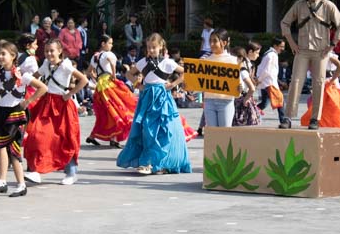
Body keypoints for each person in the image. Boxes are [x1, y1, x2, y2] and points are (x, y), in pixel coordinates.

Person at [280, 0, 340, 130]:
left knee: (318, 83)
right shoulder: (299, 5)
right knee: (295, 82)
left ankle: (315, 119)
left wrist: (332, 45)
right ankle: (288, 117)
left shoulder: (328, 6)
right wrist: (291, 42)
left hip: (321, 51)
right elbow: (285, 23)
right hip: (302, 50)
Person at [0, 40, 48, 197]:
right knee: (5, 148)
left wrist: (28, 101)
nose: (0, 57)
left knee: (8, 147)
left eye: (3, 54)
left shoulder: (22, 75)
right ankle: (15, 183)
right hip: (2, 112)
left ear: (13, 56)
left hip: (16, 114)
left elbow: (43, 88)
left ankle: (8, 182)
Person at [116, 33, 191, 175]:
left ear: (161, 47)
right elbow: (129, 74)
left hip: (163, 98)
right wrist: (139, 85)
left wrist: (173, 84)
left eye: (154, 47)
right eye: (149, 47)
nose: (151, 50)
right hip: (147, 98)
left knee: (164, 129)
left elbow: (186, 72)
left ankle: (159, 163)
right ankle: (148, 162)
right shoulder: (143, 62)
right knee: (147, 129)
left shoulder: (167, 62)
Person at [23, 39, 88, 185]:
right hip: (46, 103)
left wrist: (70, 93)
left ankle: (71, 172)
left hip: (63, 105)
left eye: (52, 50)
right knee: (37, 134)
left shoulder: (66, 65)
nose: (49, 54)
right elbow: (35, 77)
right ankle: (36, 170)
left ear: (60, 51)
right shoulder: (45, 64)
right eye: (46, 51)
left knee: (66, 137)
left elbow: (83, 80)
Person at [85, 35, 137, 148]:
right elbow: (113, 63)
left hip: (100, 86)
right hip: (108, 84)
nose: (111, 45)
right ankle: (113, 139)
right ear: (103, 44)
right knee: (116, 109)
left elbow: (89, 71)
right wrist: (113, 75)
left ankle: (93, 136)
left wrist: (96, 78)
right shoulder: (109, 54)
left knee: (106, 113)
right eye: (110, 43)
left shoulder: (95, 56)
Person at [300, 53, 340, 128]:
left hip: (328, 82)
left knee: (330, 104)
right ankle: (323, 123)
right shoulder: (317, 55)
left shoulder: (329, 55)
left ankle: (328, 123)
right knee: (322, 104)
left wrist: (332, 80)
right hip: (321, 80)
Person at [202, 29, 238, 128]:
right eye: (210, 41)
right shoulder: (206, 61)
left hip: (226, 102)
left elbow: (238, 84)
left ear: (224, 43)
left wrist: (239, 88)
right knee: (212, 135)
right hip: (209, 101)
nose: (211, 44)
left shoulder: (233, 61)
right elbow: (200, 83)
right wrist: (188, 85)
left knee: (224, 135)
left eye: (215, 41)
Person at [256, 37, 286, 125]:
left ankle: (251, 111)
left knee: (264, 103)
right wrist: (259, 80)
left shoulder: (269, 53)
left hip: (265, 82)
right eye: (281, 46)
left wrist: (259, 80)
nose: (282, 49)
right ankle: (283, 121)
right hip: (269, 83)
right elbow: (267, 70)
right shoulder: (272, 55)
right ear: (275, 46)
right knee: (280, 101)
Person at [232, 47, 259, 126]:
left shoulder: (242, 71)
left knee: (240, 124)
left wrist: (245, 99)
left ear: (240, 58)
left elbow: (252, 88)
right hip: (235, 101)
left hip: (240, 102)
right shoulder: (234, 69)